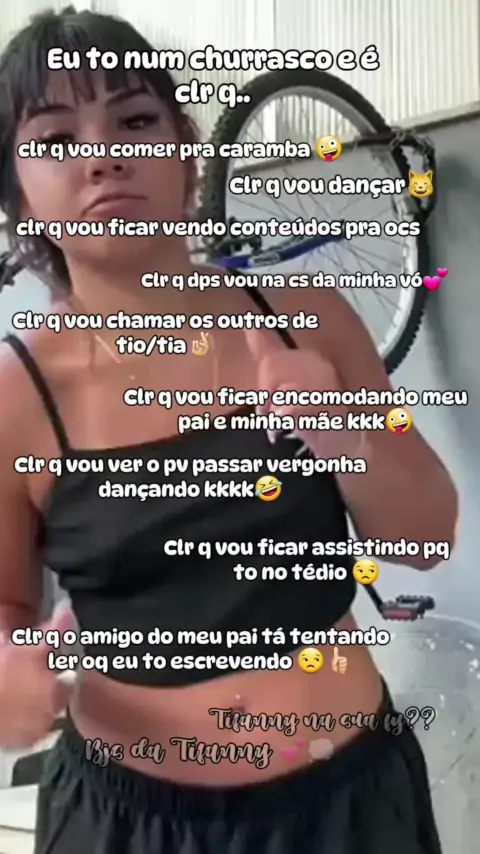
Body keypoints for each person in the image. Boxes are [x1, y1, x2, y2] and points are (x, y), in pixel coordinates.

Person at [0, 7, 457, 854]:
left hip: (350, 809)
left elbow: (429, 536)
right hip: (129, 826)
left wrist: (343, 435)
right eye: (57, 139)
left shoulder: (308, 320)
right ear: (18, 193)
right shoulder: (14, 395)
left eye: (137, 121)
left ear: (186, 148)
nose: (103, 156)